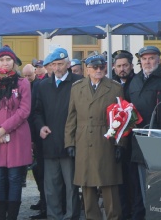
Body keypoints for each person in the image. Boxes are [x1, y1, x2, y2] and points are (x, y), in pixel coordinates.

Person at [65, 54, 125, 220]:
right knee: (86, 184)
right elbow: (72, 117)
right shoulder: (77, 87)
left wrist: (120, 145)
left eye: (101, 67)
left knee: (109, 184)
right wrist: (69, 142)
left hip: (106, 138)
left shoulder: (115, 87)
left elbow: (122, 119)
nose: (99, 70)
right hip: (83, 139)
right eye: (95, 67)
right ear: (87, 69)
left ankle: (114, 217)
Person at [34, 48, 82, 220]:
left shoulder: (78, 82)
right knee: (51, 186)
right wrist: (41, 126)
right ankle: (54, 216)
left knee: (71, 186)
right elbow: (37, 111)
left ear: (68, 64)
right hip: (49, 142)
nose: (57, 68)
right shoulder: (43, 85)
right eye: (54, 64)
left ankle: (71, 216)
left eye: (61, 64)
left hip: (71, 142)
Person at [0, 45, 32, 220]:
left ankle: (12, 217)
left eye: (8, 59)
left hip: (17, 136)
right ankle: (0, 216)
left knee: (15, 179)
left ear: (13, 61)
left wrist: (4, 128)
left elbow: (24, 110)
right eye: (1, 60)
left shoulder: (23, 83)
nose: (5, 63)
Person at [128, 46, 161, 215]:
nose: (147, 62)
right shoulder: (135, 80)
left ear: (158, 60)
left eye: (151, 58)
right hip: (137, 140)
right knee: (141, 184)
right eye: (144, 59)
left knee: (159, 185)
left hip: (158, 139)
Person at [111, 50, 138, 220]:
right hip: (116, 139)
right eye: (119, 66)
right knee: (118, 179)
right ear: (114, 67)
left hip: (134, 138)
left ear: (131, 66)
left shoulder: (137, 82)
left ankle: (135, 213)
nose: (122, 69)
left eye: (125, 65)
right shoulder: (111, 85)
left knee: (133, 180)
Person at [22, 64, 47, 219]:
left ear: (35, 74)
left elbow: (33, 112)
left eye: (29, 76)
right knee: (37, 171)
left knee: (41, 171)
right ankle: (42, 200)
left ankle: (44, 203)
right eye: (24, 76)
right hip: (32, 135)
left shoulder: (38, 86)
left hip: (38, 135)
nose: (26, 79)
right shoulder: (25, 86)